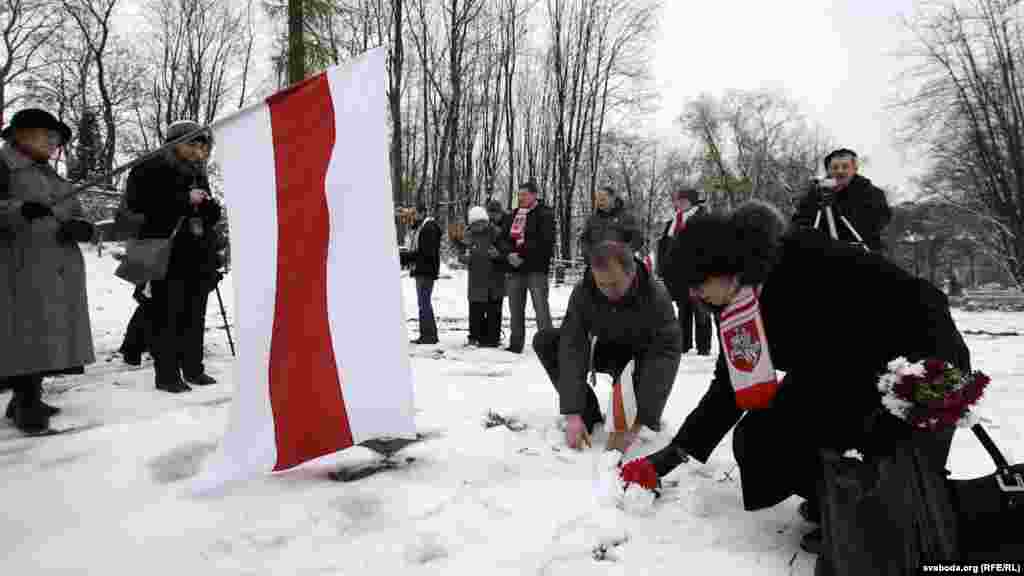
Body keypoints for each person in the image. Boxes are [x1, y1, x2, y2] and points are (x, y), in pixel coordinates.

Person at [620, 200, 970, 555]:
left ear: (724, 266)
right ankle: (840, 499)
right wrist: (675, 453)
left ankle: (872, 515)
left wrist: (925, 382)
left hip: (915, 361)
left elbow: (907, 310)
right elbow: (731, 385)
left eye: (698, 284)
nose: (695, 295)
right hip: (839, 367)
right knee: (760, 437)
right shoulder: (737, 301)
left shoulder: (802, 262)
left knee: (856, 439)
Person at [533, 240, 682, 452]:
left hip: (637, 360)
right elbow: (572, 344)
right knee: (546, 341)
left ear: (631, 274)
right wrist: (573, 413)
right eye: (602, 285)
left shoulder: (655, 296)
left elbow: (665, 355)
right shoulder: (584, 291)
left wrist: (640, 420)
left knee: (629, 420)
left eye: (614, 284)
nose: (607, 291)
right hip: (602, 350)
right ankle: (587, 413)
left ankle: (632, 414)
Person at [0, 108, 95, 433]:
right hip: (16, 266)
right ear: (21, 135)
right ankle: (26, 405)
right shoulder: (3, 167)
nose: (54, 143)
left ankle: (26, 398)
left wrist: (81, 227)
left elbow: (75, 210)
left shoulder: (52, 175)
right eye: (48, 136)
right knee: (24, 333)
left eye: (57, 139)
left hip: (54, 266)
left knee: (45, 333)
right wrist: (18, 210)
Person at [116, 120, 221, 393]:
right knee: (166, 315)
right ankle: (167, 375)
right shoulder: (148, 167)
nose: (199, 150)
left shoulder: (198, 171)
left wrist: (209, 209)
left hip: (197, 252)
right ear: (175, 143)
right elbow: (138, 207)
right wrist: (186, 199)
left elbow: (205, 215)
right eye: (193, 144)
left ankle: (194, 368)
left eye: (203, 145)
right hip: (165, 252)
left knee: (195, 314)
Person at [792, 148, 892, 252]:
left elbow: (880, 220)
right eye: (835, 167)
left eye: (845, 167)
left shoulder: (871, 193)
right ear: (828, 171)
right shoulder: (816, 193)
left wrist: (840, 211)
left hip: (860, 251)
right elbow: (800, 221)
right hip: (823, 251)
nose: (840, 171)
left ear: (854, 169)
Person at [500, 180, 555, 354]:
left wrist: (522, 255)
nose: (521, 198)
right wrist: (509, 254)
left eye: (524, 194)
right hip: (514, 269)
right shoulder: (513, 214)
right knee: (515, 309)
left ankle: (548, 345)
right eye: (519, 195)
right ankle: (516, 344)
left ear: (534, 195)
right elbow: (502, 239)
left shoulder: (545, 214)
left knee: (541, 309)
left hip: (536, 269)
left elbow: (545, 242)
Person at [657, 187, 712, 356]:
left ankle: (703, 347)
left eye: (683, 200)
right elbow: (664, 246)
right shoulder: (673, 221)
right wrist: (662, 268)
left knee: (700, 309)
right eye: (678, 200)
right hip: (677, 273)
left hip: (698, 271)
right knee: (683, 309)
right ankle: (684, 344)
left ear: (692, 201)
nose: (679, 203)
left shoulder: (703, 219)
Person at [457, 206, 506, 348]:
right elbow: (462, 254)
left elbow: (505, 252)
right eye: (475, 224)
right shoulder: (468, 235)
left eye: (481, 222)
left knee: (493, 310)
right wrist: (463, 257)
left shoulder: (496, 233)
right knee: (475, 310)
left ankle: (492, 338)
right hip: (476, 280)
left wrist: (498, 254)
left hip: (494, 280)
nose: (478, 226)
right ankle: (474, 337)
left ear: (486, 221)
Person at [400, 202, 442, 345]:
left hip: (425, 271)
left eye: (415, 213)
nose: (413, 216)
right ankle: (428, 334)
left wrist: (406, 257)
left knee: (424, 303)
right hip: (424, 270)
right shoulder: (423, 227)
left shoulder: (428, 228)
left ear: (423, 213)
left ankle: (428, 335)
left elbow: (425, 252)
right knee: (424, 303)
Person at [579, 186, 642, 265]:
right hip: (597, 264)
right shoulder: (591, 220)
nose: (600, 201)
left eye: (603, 199)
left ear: (613, 199)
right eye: (598, 199)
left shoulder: (626, 218)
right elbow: (584, 240)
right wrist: (588, 255)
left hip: (620, 265)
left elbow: (637, 239)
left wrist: (625, 253)